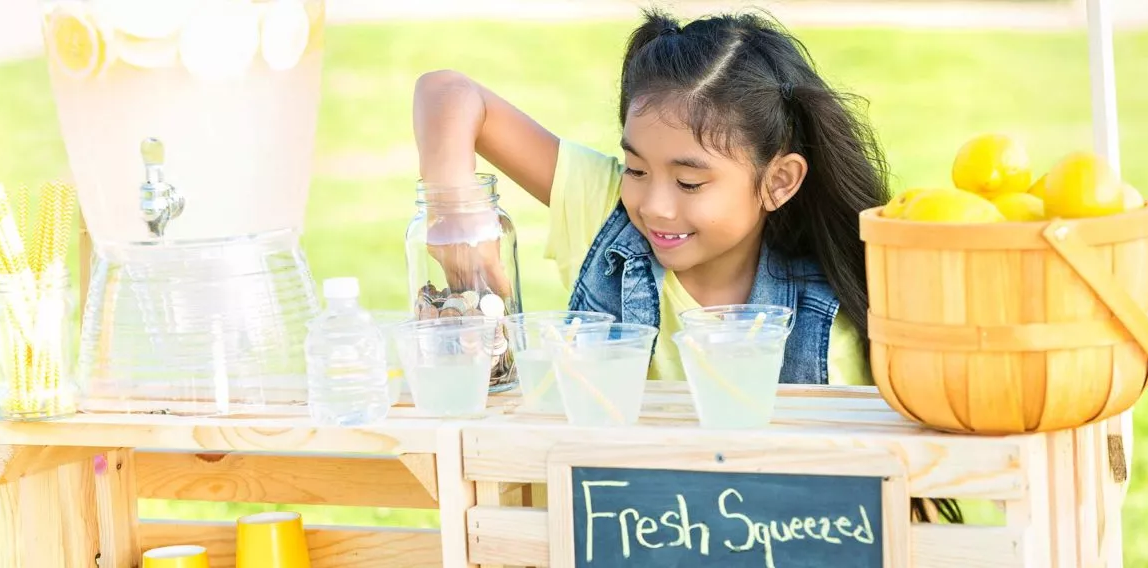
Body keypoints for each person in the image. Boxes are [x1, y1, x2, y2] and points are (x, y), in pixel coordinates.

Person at [412, 8, 964, 524]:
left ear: (779, 181)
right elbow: (449, 93)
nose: (654, 204)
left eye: (690, 182)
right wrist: (454, 218)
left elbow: (892, 504)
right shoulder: (603, 208)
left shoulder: (838, 316)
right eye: (634, 168)